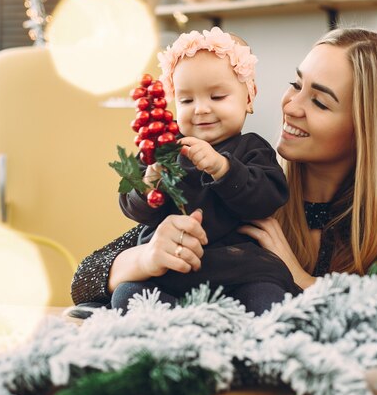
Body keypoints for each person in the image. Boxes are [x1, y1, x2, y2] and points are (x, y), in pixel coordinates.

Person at [71, 28, 377, 317]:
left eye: (319, 102)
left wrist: (304, 280)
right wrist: (146, 257)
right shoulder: (240, 194)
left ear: (368, 131)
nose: (291, 106)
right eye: (295, 84)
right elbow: (84, 280)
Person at [114, 27, 299, 315]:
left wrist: (223, 169)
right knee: (127, 295)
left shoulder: (252, 149)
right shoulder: (163, 150)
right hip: (171, 275)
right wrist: (150, 181)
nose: (200, 109)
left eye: (217, 97)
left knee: (271, 297)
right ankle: (182, 333)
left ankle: (248, 342)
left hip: (241, 272)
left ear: (249, 97)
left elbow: (269, 197)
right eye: (186, 100)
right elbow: (135, 208)